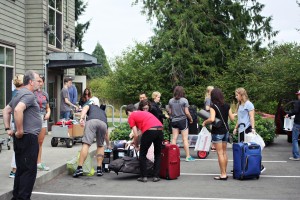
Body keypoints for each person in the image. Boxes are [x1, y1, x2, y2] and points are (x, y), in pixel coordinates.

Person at [3, 70, 42, 200]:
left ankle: (16, 197)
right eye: (37, 81)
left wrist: (8, 128)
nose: (39, 84)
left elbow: (6, 110)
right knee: (29, 171)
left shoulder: (18, 94)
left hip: (22, 138)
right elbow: (18, 109)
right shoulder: (29, 95)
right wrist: (19, 131)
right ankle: (22, 198)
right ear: (31, 82)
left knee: (21, 169)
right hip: (28, 137)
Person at [202, 88, 235, 180]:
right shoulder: (227, 105)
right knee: (224, 152)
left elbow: (212, 119)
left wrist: (205, 122)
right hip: (226, 131)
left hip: (217, 131)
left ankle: (223, 174)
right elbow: (232, 118)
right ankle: (224, 172)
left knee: (220, 153)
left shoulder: (213, 106)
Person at [73, 97, 111, 178]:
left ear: (93, 103)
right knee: (100, 145)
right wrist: (108, 145)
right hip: (103, 124)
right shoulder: (103, 112)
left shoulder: (91, 105)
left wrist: (82, 118)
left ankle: (79, 168)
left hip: (92, 122)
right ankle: (99, 169)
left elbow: (85, 107)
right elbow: (106, 133)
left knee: (86, 144)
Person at [126, 104, 164, 182]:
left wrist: (136, 145)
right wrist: (134, 141)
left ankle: (144, 176)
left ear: (129, 112)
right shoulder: (142, 113)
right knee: (157, 153)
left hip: (149, 130)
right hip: (159, 129)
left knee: (142, 154)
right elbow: (140, 132)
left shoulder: (131, 116)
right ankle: (156, 176)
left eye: (127, 114)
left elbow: (136, 134)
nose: (128, 117)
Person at [233, 87, 266, 173]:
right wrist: (236, 128)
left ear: (242, 95)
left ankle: (259, 166)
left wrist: (253, 128)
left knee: (248, 149)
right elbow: (240, 119)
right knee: (241, 149)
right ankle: (241, 167)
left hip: (247, 129)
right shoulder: (239, 105)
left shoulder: (249, 104)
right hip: (241, 129)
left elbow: (251, 117)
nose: (236, 97)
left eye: (237, 95)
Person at [168, 86, 195, 162]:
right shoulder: (184, 100)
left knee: (174, 138)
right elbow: (187, 112)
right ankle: (188, 156)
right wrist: (191, 118)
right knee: (185, 139)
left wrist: (172, 116)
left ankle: (172, 156)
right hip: (182, 120)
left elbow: (170, 112)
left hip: (174, 120)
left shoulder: (170, 101)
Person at [9, 74, 24, 178]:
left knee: (18, 147)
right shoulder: (18, 94)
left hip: (15, 121)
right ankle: (14, 170)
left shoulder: (15, 92)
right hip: (17, 122)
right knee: (18, 147)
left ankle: (16, 168)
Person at [35, 75, 51, 171]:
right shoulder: (31, 93)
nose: (39, 83)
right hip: (34, 118)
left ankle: (39, 162)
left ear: (43, 82)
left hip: (43, 118)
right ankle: (32, 162)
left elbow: (47, 107)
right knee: (32, 141)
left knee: (40, 142)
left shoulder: (45, 94)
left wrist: (48, 113)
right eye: (38, 81)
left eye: (41, 81)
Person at [285, 90, 300, 161]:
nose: (298, 96)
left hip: (298, 123)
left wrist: (289, 114)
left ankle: (296, 156)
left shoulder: (298, 102)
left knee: (295, 139)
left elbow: (296, 111)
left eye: (298, 95)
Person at [204, 86, 216, 151]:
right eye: (212, 90)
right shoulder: (208, 99)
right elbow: (207, 108)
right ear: (209, 91)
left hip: (211, 116)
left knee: (213, 130)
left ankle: (213, 145)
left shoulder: (211, 98)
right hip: (209, 116)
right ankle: (213, 146)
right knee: (212, 130)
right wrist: (214, 108)